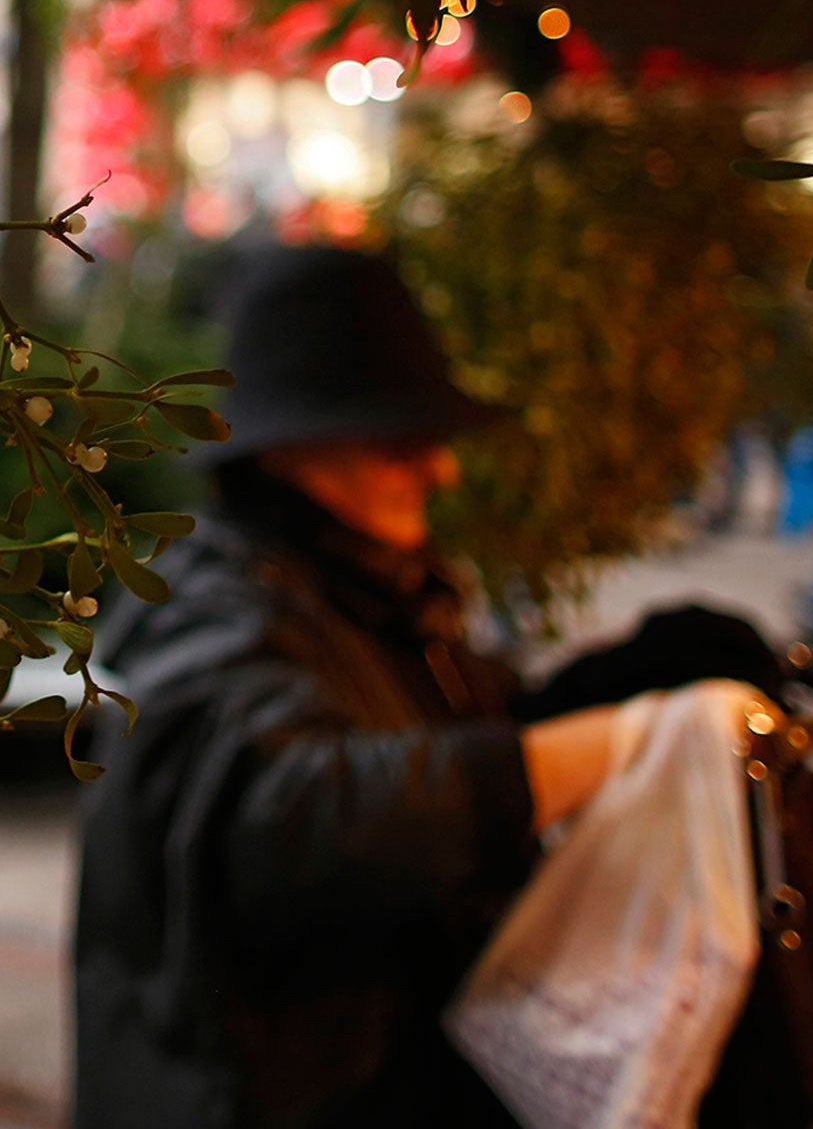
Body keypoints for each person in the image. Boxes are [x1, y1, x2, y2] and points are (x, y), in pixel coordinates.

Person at [72, 244, 641, 1128]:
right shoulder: (218, 616)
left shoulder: (370, 588)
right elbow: (305, 810)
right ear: (291, 446)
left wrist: (611, 693)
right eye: (400, 436)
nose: (441, 470)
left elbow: (438, 726)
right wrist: (623, 745)